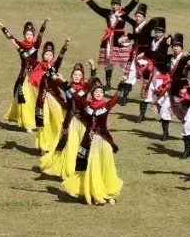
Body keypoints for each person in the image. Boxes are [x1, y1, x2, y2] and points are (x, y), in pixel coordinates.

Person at [63, 78, 123, 206]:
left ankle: (109, 193)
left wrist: (121, 84)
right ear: (92, 94)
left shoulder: (106, 106)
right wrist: (66, 84)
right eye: (96, 92)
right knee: (91, 167)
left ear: (103, 94)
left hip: (103, 141)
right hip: (89, 141)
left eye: (101, 92)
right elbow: (75, 97)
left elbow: (116, 98)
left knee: (106, 167)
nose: (99, 93)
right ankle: (95, 192)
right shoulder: (87, 106)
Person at [39, 60, 95, 178]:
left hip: (83, 121)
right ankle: (66, 169)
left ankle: (80, 170)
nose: (77, 76)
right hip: (70, 120)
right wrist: (51, 69)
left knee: (81, 145)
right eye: (75, 74)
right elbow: (52, 79)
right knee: (68, 145)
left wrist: (92, 67)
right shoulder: (65, 85)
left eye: (79, 75)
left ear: (82, 77)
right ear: (72, 76)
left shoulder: (85, 87)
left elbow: (92, 81)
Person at [0, 18, 48, 132]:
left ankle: (35, 121)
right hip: (24, 75)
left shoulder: (36, 45)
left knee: (35, 99)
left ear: (33, 35)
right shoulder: (20, 45)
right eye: (27, 34)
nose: (29, 36)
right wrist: (2, 27)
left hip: (34, 76)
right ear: (24, 35)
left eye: (31, 34)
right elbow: (10, 38)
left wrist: (43, 26)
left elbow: (40, 38)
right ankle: (26, 124)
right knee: (23, 98)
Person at [81, 0, 140, 89]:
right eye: (113, 4)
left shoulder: (123, 13)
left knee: (123, 61)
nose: (114, 6)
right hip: (108, 40)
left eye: (117, 5)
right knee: (107, 62)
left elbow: (131, 6)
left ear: (120, 5)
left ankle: (128, 81)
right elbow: (97, 9)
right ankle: (108, 83)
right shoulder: (108, 13)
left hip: (119, 40)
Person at [33, 39, 71, 153]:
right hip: (43, 99)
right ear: (43, 55)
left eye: (50, 55)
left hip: (54, 97)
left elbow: (60, 58)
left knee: (58, 120)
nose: (48, 56)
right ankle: (43, 146)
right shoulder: (38, 66)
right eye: (46, 54)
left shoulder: (54, 67)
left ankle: (56, 143)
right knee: (44, 122)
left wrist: (65, 46)